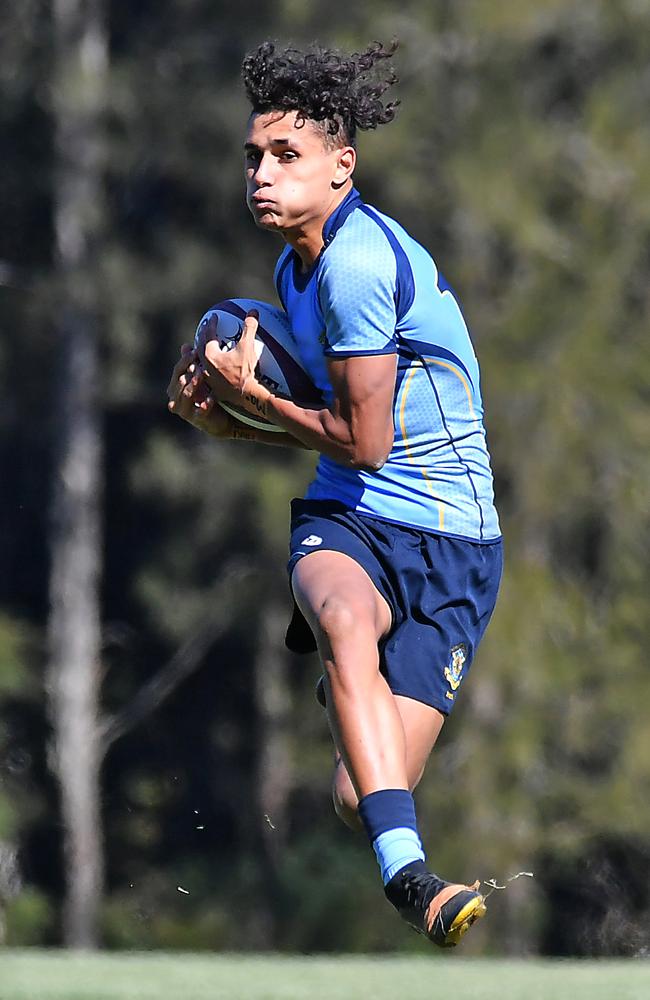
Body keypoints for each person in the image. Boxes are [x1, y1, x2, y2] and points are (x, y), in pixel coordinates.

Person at [167, 39, 503, 948]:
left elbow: (365, 438)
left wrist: (254, 403)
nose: (261, 176)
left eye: (285, 157)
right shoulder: (294, 269)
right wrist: (233, 422)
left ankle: (362, 743)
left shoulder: (357, 266)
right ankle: (414, 882)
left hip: (454, 544)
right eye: (253, 157)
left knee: (359, 792)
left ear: (341, 167)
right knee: (343, 620)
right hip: (350, 518)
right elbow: (341, 453)